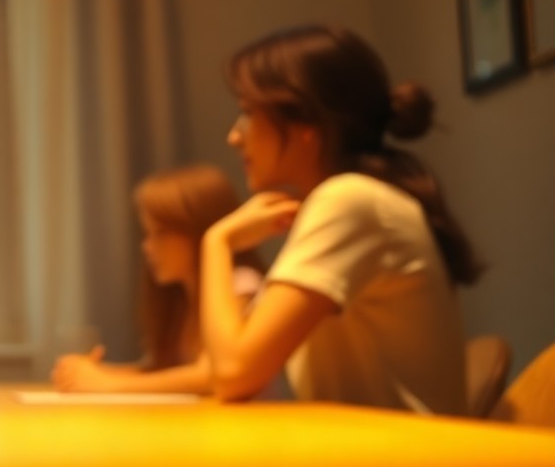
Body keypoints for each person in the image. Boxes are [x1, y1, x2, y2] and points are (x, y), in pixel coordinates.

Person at [200, 23, 482, 415]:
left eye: (248, 112)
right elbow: (229, 360)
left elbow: (232, 372)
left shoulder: (349, 200)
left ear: (305, 125)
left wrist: (216, 242)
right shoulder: (351, 200)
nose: (235, 136)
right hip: (379, 458)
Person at [52, 164, 266, 395]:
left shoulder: (240, 284)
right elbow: (167, 372)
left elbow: (209, 374)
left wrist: (108, 383)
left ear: (200, 229)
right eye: (147, 234)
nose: (148, 247)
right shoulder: (181, 297)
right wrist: (92, 373)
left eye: (160, 233)